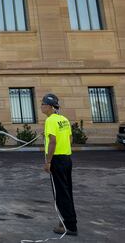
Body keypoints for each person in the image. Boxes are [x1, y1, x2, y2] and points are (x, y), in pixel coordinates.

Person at [40, 93, 78, 237]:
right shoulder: (64, 119)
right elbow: (70, 138)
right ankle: (68, 222)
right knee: (67, 192)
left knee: (60, 194)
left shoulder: (50, 121)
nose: (41, 107)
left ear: (49, 106)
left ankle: (69, 226)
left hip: (57, 160)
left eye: (43, 104)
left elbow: (53, 141)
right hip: (67, 159)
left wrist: (48, 162)